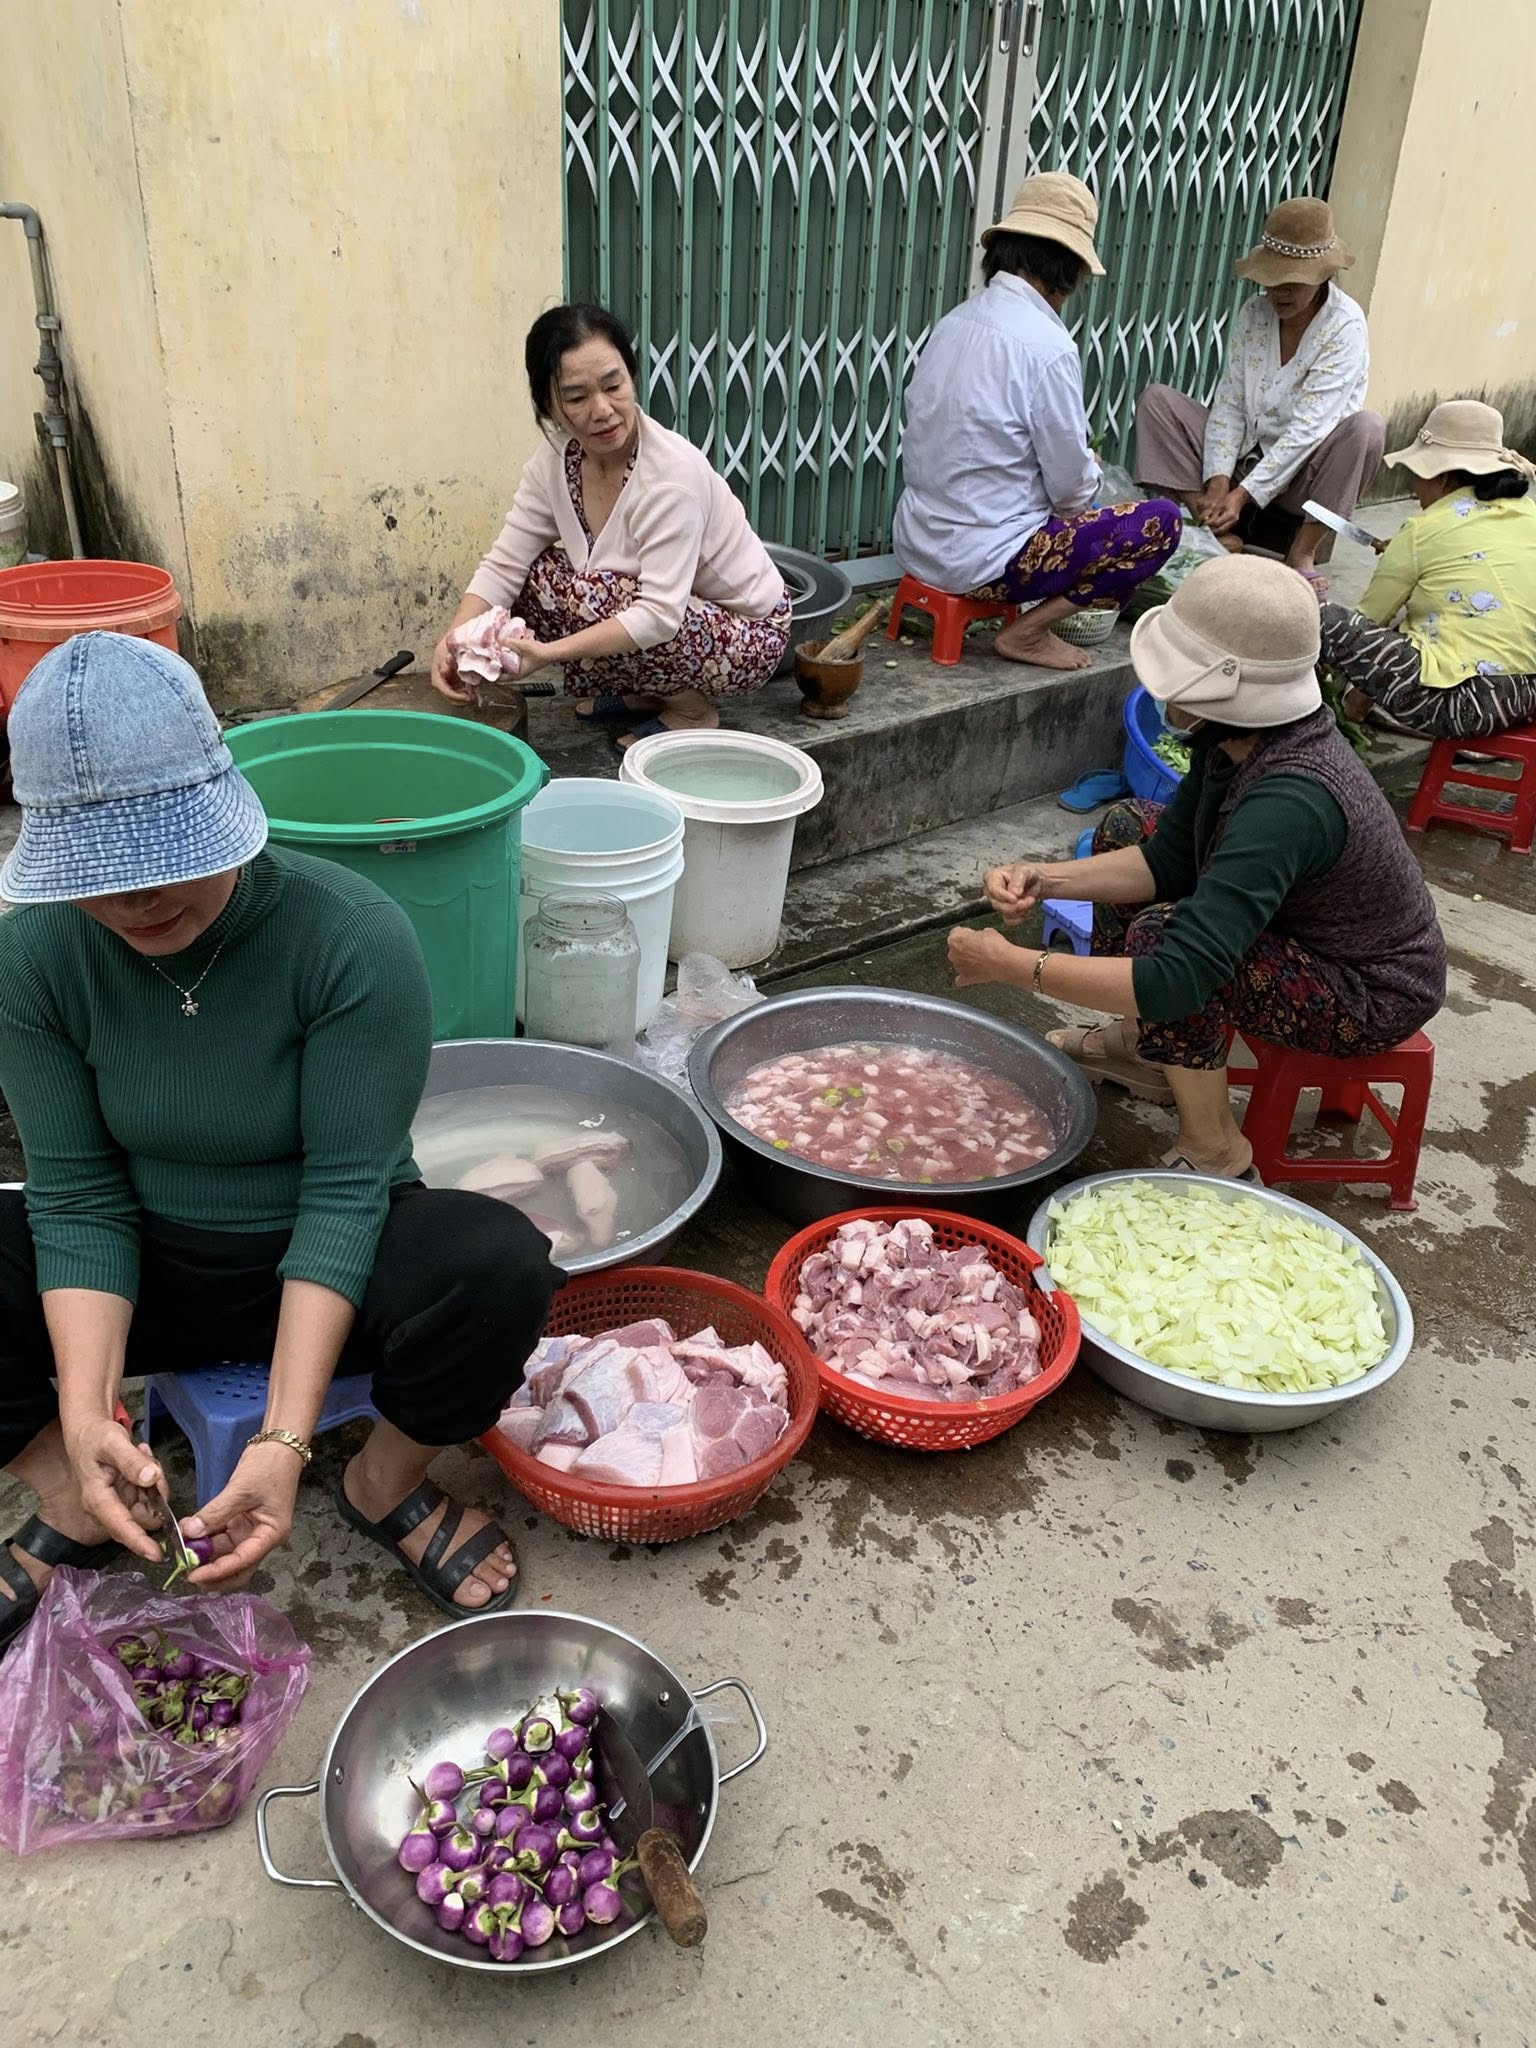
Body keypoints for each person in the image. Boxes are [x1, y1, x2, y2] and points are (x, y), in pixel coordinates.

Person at [0, 633, 557, 1649]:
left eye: (168, 853)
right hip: (147, 1255)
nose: (136, 898)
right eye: (100, 870)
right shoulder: (33, 954)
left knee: (497, 1266)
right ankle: (75, 1488)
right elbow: (76, 1196)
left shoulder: (348, 937)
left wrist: (284, 1439)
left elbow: (346, 1194)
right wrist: (87, 1414)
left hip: (331, 1254)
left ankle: (381, 1482)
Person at [947, 555, 1446, 1182]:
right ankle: (1147, 1049)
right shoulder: (1236, 742)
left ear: (1220, 693)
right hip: (1302, 935)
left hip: (1369, 992)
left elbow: (1179, 978)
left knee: (1167, 941)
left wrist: (1011, 967)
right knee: (1130, 822)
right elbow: (1168, 859)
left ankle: (1216, 1146)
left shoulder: (1290, 796)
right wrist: (1044, 877)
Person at [431, 303, 789, 746]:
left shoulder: (670, 477)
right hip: (679, 617)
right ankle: (649, 691)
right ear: (549, 406)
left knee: (598, 594)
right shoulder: (555, 463)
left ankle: (690, 710)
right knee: (536, 579)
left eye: (613, 385)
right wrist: (453, 641)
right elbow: (506, 563)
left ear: (631, 377)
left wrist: (547, 655)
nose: (602, 410)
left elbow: (659, 615)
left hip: (747, 635)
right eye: (577, 397)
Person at [893, 172, 1181, 672]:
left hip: (916, 544)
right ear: (1067, 271)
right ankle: (1027, 633)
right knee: (1160, 523)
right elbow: (1071, 495)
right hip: (985, 563)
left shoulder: (954, 322)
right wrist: (1088, 467)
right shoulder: (1047, 348)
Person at [1135, 197, 1383, 586]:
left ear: (1321, 278)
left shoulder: (1345, 326)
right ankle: (1210, 522)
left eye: (1293, 283)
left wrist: (1242, 495)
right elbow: (1231, 401)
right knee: (1157, 402)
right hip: (1243, 458)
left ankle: (1302, 550)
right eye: (1272, 282)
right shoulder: (1254, 312)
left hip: (1303, 475)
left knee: (1367, 428)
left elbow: (1310, 429)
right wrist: (1218, 483)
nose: (1279, 293)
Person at [1317, 400, 1536, 739]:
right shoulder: (1527, 513)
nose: (1415, 489)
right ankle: (1356, 707)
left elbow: (1370, 619)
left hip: (1465, 704)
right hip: (1528, 695)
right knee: (1428, 621)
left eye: (1417, 474)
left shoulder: (1422, 528)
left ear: (1443, 477)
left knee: (1321, 619)